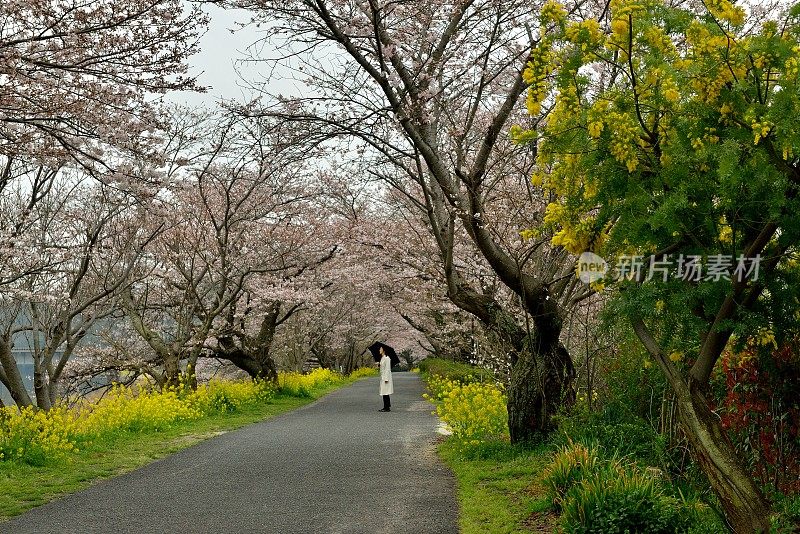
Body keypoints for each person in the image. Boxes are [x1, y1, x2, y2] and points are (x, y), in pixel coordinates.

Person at [378, 347, 393, 412]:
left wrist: (386, 378)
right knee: (384, 392)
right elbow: (382, 367)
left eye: (380, 349)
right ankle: (387, 406)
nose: (379, 350)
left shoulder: (387, 358)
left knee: (385, 392)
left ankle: (386, 407)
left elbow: (387, 369)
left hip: (386, 377)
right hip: (383, 377)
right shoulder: (382, 358)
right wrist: (379, 364)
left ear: (384, 350)